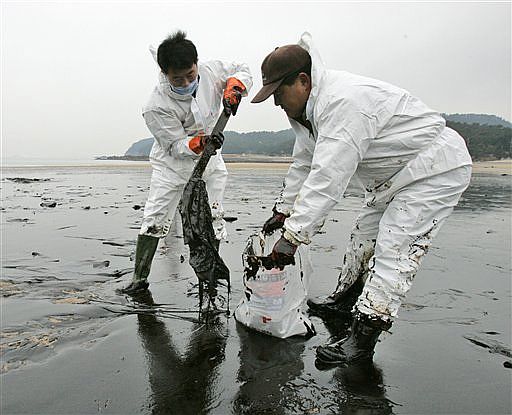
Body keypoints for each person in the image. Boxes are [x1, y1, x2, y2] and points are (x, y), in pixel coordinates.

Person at [252, 32, 472, 366]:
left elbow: (328, 179)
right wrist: (283, 211)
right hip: (389, 179)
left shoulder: (342, 102)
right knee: (363, 238)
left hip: (432, 169)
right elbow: (304, 163)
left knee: (394, 249)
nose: (276, 102)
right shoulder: (306, 114)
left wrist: (293, 238)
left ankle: (363, 337)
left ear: (302, 80)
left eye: (278, 92)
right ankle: (345, 302)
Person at [120, 30, 252, 294]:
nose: (185, 82)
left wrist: (235, 85)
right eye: (176, 79)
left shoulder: (212, 71)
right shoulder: (155, 106)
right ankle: (139, 278)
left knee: (214, 215)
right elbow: (174, 145)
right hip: (172, 166)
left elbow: (243, 68)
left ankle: (212, 273)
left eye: (190, 75)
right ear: (165, 74)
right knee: (155, 217)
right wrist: (197, 143)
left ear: (196, 64)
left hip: (211, 163)